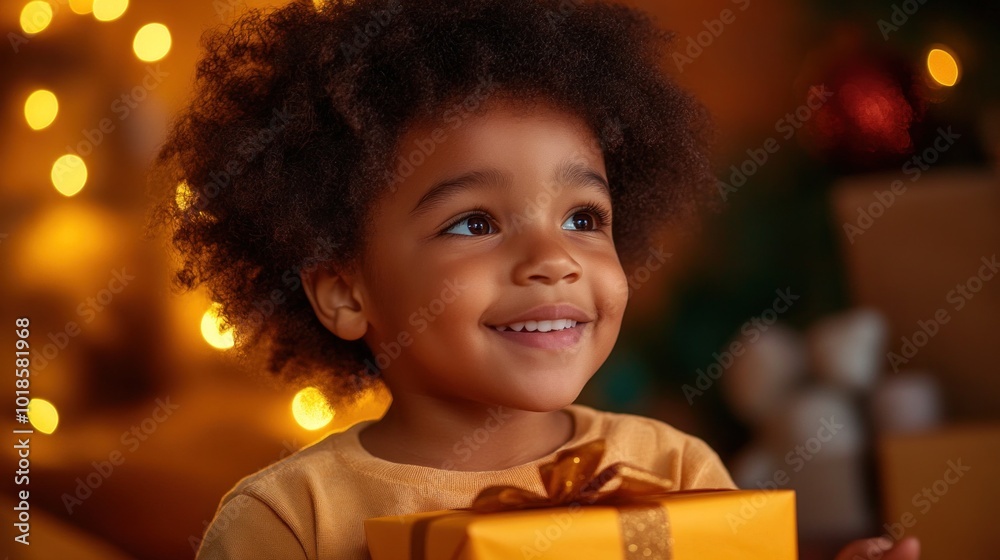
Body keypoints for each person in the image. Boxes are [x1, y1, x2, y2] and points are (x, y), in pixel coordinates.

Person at [148, 0, 921, 558]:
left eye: (585, 218)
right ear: (345, 292)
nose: (555, 259)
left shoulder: (676, 470)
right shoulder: (289, 521)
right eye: (475, 223)